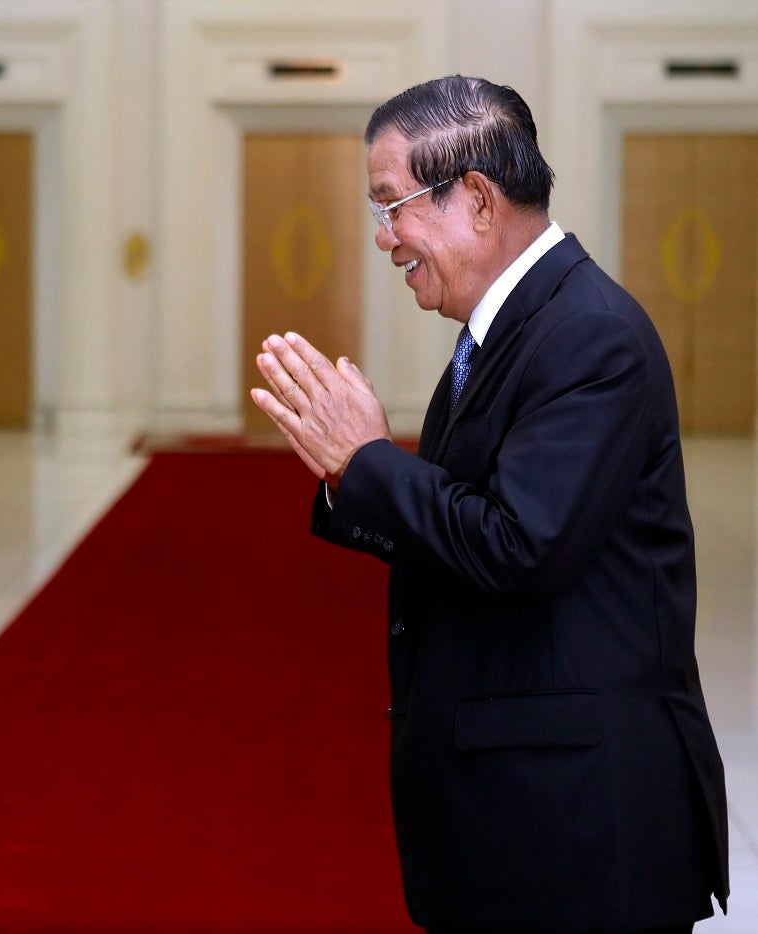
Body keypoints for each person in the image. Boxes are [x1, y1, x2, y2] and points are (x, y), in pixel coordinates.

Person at [251, 76, 728, 933]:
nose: (383, 236)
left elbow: (519, 545)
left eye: (393, 205)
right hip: (523, 805)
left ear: (474, 197)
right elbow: (467, 521)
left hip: (578, 826)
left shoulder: (589, 333)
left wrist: (367, 460)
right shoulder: (506, 331)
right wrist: (348, 476)